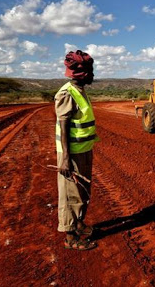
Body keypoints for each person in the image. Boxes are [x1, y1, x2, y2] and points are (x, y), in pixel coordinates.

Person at [54, 50, 99, 250]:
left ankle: (79, 224)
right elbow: (63, 125)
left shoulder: (80, 90)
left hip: (83, 150)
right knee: (70, 194)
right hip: (71, 153)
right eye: (90, 71)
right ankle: (70, 237)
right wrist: (65, 158)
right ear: (82, 74)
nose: (93, 75)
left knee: (81, 191)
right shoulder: (66, 93)